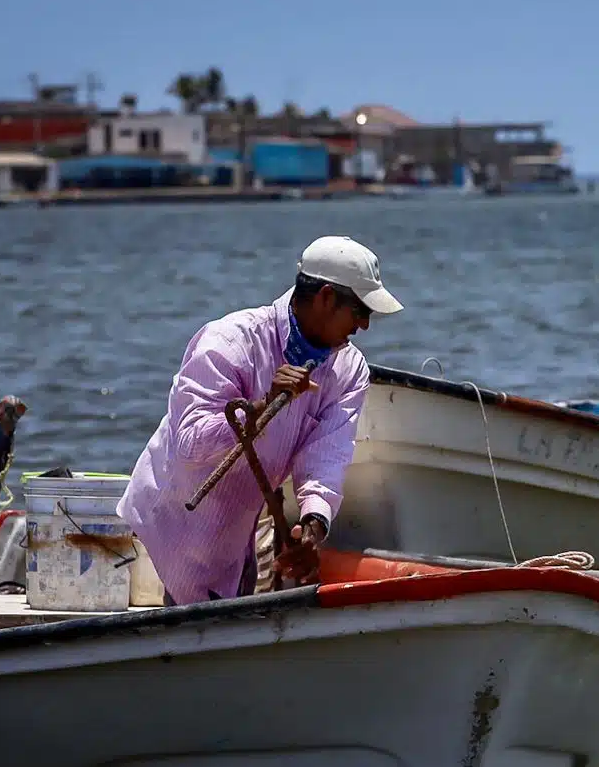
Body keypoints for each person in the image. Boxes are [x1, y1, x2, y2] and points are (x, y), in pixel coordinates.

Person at [118, 235, 403, 605]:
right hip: (172, 526)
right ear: (327, 298)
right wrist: (260, 406)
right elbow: (189, 443)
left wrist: (313, 524)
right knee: (186, 632)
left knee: (232, 623)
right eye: (360, 310)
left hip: (241, 528)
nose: (365, 324)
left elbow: (327, 457)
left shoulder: (348, 368)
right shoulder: (230, 340)